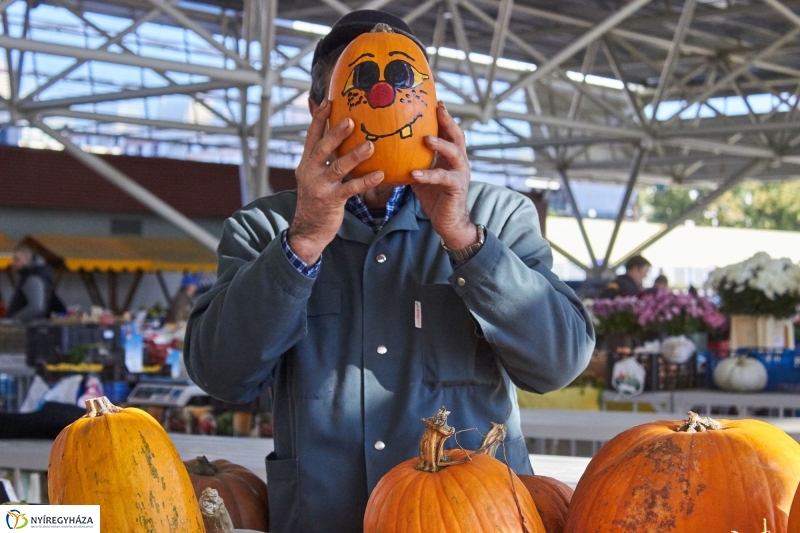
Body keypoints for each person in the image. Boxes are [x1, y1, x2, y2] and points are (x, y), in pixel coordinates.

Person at [184, 10, 595, 532]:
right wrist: (305, 239)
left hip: (476, 520)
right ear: (318, 113)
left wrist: (465, 240)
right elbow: (221, 374)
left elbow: (558, 363)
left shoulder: (497, 216)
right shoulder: (265, 228)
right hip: (326, 520)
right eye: (357, 90)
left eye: (403, 89)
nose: (382, 102)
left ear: (429, 107)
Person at [6, 245, 62, 322]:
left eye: (16, 259)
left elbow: (36, 307)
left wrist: (13, 321)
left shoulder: (32, 278)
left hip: (27, 329)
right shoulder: (36, 275)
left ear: (27, 259)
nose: (12, 263)